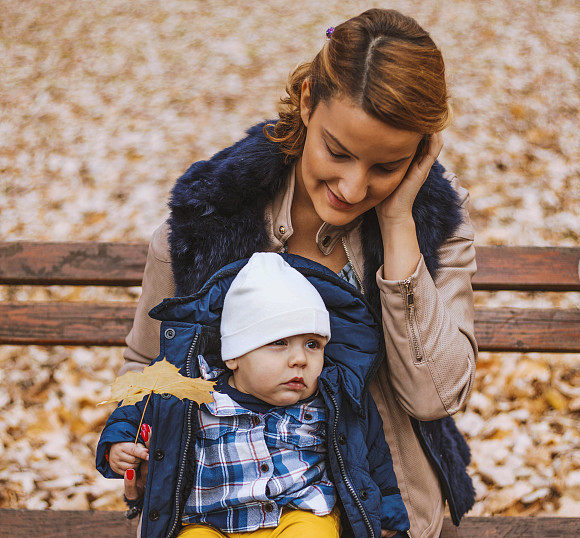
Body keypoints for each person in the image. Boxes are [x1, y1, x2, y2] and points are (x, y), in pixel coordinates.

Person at [117, 8, 478, 537]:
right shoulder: (209, 218)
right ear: (308, 100)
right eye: (338, 152)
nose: (354, 189)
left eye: (385, 167)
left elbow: (433, 397)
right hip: (219, 510)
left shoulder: (436, 227)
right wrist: (140, 442)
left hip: (383, 510)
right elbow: (148, 359)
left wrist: (399, 225)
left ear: (420, 154)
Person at [97, 252, 410, 537]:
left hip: (296, 516)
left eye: (313, 344)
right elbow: (137, 409)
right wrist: (120, 444)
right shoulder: (191, 386)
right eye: (279, 343)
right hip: (210, 523)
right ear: (234, 355)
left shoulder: (332, 397)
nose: (300, 359)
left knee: (314, 532)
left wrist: (387, 520)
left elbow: (372, 458)